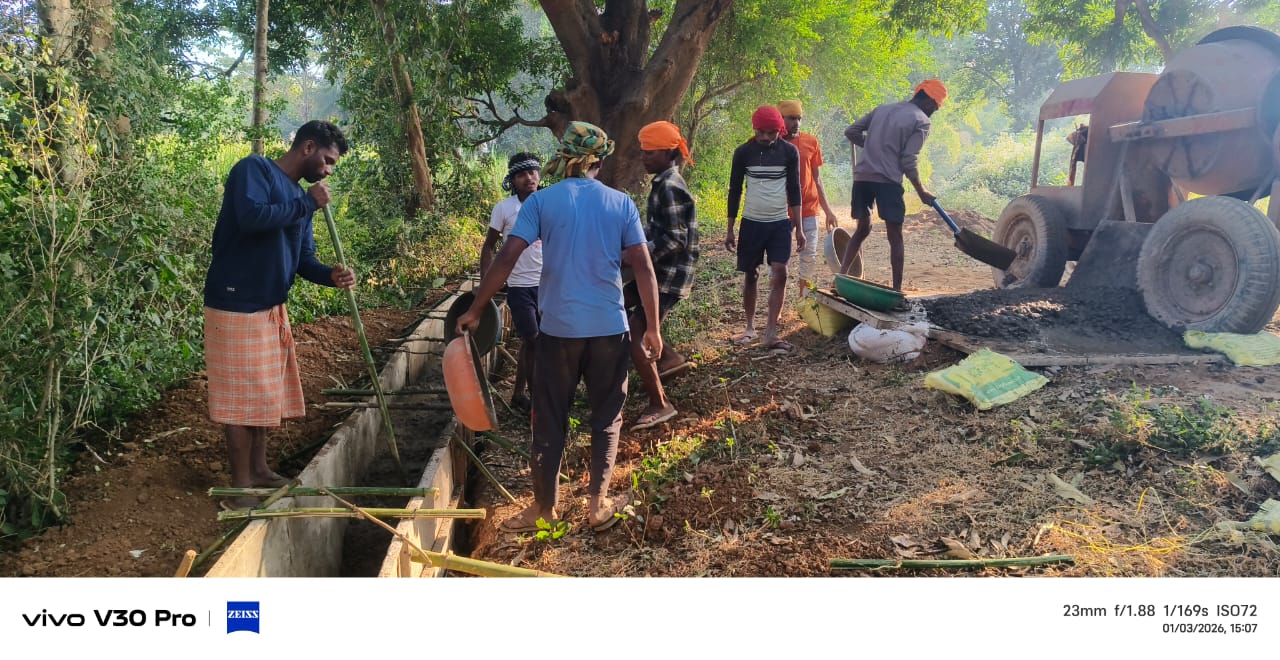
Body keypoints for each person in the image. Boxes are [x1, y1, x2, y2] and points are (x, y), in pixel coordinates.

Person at [456, 121, 663, 534]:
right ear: (599, 161)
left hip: (558, 331)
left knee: (549, 417)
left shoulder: (540, 202)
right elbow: (643, 267)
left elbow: (506, 258)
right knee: (606, 417)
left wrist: (477, 308)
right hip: (609, 328)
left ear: (563, 157)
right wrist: (653, 328)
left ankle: (544, 508)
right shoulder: (621, 203)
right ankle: (598, 505)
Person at [202, 120, 354, 511]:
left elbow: (303, 259)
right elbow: (251, 217)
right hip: (236, 302)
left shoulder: (301, 198)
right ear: (308, 147)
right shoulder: (254, 170)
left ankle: (259, 469)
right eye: (327, 160)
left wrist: (330, 276)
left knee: (262, 393)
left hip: (270, 306)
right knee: (240, 398)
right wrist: (307, 204)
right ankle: (240, 488)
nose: (328, 171)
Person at [839, 80, 946, 291]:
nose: (933, 112)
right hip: (887, 182)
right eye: (935, 108)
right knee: (895, 236)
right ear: (929, 102)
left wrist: (873, 145)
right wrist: (921, 191)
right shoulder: (921, 120)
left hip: (862, 178)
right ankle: (896, 290)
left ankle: (841, 277)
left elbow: (851, 131)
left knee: (862, 229)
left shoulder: (882, 109)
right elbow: (908, 160)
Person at [627, 120, 699, 431]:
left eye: (650, 153)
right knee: (621, 303)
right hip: (659, 271)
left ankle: (660, 403)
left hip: (669, 275)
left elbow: (675, 240)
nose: (644, 158)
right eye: (643, 152)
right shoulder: (663, 182)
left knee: (635, 332)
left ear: (669, 153)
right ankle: (669, 358)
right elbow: (658, 230)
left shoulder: (669, 187)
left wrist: (638, 254)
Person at [725, 105, 804, 353]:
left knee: (780, 272)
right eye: (761, 132)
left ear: (780, 130)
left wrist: (799, 228)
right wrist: (730, 228)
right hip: (751, 222)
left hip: (780, 223)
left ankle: (770, 332)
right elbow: (735, 190)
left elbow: (795, 190)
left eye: (772, 133)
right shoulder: (743, 153)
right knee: (751, 274)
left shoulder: (789, 152)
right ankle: (749, 327)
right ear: (754, 129)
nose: (766, 137)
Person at [479, 152, 543, 414]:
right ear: (513, 180)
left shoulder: (548, 204)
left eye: (532, 172)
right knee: (534, 339)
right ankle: (539, 403)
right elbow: (488, 247)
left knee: (532, 343)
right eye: (522, 174)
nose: (529, 178)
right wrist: (486, 283)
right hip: (519, 286)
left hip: (547, 285)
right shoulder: (504, 209)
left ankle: (518, 394)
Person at [777, 100, 839, 293]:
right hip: (781, 210)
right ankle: (777, 300)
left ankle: (804, 298)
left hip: (809, 207)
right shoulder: (772, 144)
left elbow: (817, 179)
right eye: (791, 118)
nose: (796, 122)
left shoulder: (811, 142)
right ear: (781, 119)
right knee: (780, 258)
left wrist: (828, 211)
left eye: (799, 118)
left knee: (809, 256)